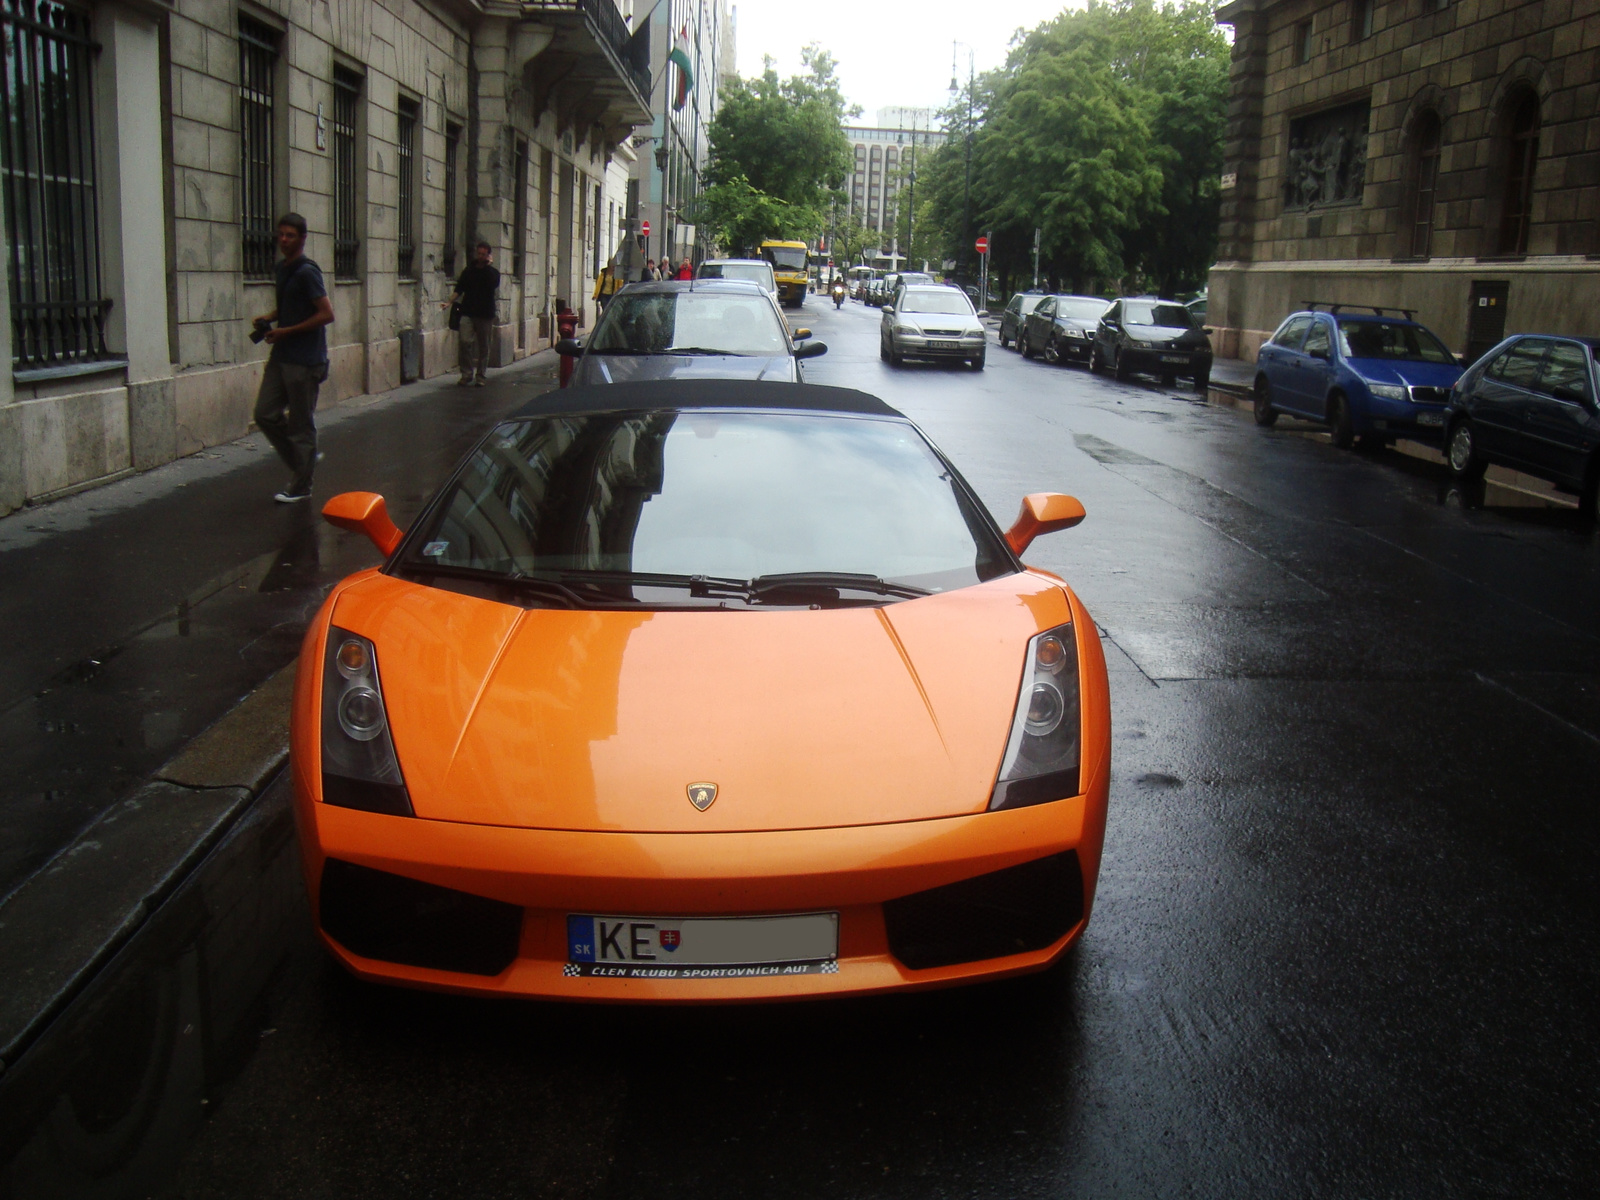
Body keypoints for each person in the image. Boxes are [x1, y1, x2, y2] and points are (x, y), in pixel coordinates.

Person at [251, 213, 333, 503]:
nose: (283, 240)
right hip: (282, 355)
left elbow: (326, 314)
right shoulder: (281, 268)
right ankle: (306, 459)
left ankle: (301, 485)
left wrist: (286, 331)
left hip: (306, 360)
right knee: (264, 413)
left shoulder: (308, 271)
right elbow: (290, 304)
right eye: (281, 235)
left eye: (290, 235)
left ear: (302, 239)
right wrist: (271, 317)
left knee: (301, 424)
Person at [445, 241, 500, 386]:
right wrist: (449, 302)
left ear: (488, 255)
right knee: (465, 342)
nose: (480, 256)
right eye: (479, 253)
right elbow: (459, 288)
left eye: (484, 254)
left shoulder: (493, 273)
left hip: (485, 314)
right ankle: (467, 374)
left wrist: (488, 266)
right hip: (468, 312)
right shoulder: (469, 270)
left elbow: (493, 284)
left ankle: (481, 376)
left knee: (484, 346)